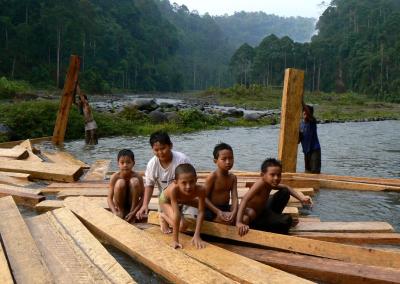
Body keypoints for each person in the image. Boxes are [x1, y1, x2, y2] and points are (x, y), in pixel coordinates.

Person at [236, 158, 312, 236]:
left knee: (285, 192)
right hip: (254, 218)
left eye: (278, 175)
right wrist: (239, 222)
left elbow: (286, 187)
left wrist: (301, 199)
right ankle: (272, 223)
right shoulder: (260, 183)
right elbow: (244, 200)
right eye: (272, 175)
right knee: (287, 220)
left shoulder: (269, 183)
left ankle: (276, 218)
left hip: (263, 210)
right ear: (263, 175)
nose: (276, 178)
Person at [136, 131, 191, 232]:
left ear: (170, 146)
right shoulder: (152, 164)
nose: (160, 152)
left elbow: (191, 181)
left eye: (163, 148)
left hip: (183, 196)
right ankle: (163, 216)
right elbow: (149, 185)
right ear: (152, 149)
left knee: (192, 222)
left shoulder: (182, 160)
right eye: (156, 150)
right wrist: (145, 205)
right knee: (182, 226)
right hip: (165, 199)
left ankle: (169, 216)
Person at [158, 163, 206, 249]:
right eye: (184, 183)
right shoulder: (174, 190)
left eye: (191, 182)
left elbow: (201, 211)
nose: (188, 186)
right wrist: (175, 240)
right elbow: (177, 214)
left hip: (182, 199)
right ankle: (163, 216)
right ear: (176, 182)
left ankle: (178, 210)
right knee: (182, 226)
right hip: (166, 201)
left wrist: (197, 235)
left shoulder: (201, 190)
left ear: (196, 180)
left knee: (205, 205)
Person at [204, 143, 238, 225]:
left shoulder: (232, 177)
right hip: (211, 209)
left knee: (248, 213)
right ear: (215, 161)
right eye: (224, 159)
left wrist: (234, 211)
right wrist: (218, 212)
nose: (228, 162)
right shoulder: (212, 177)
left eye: (231, 158)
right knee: (229, 221)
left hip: (225, 207)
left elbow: (234, 197)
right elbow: (204, 198)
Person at [108, 149, 144, 223]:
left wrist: (134, 212)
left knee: (134, 181)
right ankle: (121, 211)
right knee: (120, 182)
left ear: (133, 163)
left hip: (133, 203)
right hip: (120, 204)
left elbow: (143, 197)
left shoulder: (138, 176)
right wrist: (114, 212)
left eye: (128, 162)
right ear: (118, 164)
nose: (125, 165)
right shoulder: (115, 177)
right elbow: (109, 198)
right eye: (122, 162)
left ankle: (131, 211)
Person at [299, 104, 321, 173]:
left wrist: (301, 101)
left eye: (306, 112)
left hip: (314, 150)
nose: (305, 113)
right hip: (306, 151)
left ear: (310, 114)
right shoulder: (301, 124)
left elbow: (308, 113)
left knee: (315, 172)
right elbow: (298, 141)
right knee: (307, 171)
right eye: (304, 112)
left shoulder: (312, 121)